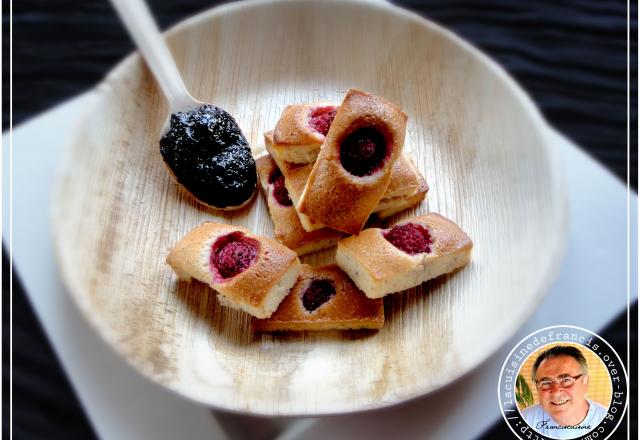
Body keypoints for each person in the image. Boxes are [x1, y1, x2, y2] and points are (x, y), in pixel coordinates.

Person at [521, 345, 608, 439]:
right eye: (546, 383)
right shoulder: (527, 418)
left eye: (566, 380)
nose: (556, 392)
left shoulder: (608, 422)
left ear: (585, 381)